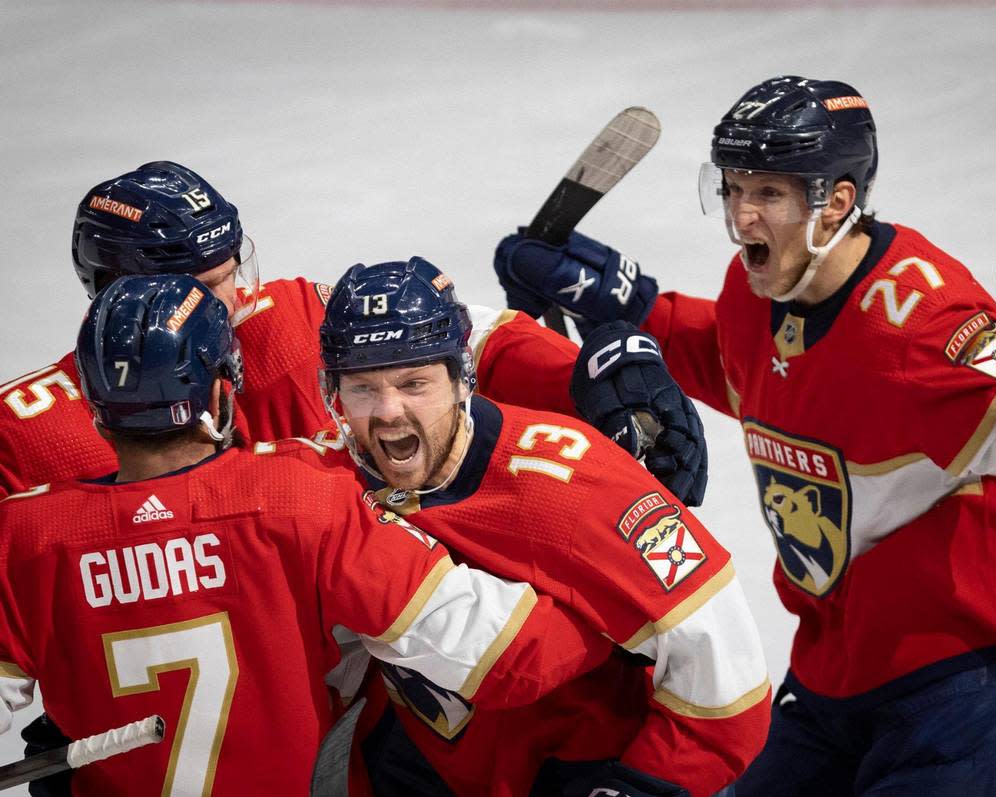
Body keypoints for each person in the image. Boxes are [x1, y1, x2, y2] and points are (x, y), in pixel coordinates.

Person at [492, 75, 996, 795]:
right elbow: (741, 364)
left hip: (967, 669)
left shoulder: (921, 320)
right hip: (840, 664)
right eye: (733, 188)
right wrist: (621, 302)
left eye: (768, 193)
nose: (741, 215)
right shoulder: (757, 289)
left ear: (835, 200)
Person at [0, 274, 613, 796]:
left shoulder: (22, 535)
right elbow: (508, 656)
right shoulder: (300, 495)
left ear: (92, 400)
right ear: (221, 388)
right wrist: (618, 605)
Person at [293, 256, 771, 797]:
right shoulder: (324, 478)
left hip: (583, 770)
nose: (388, 412)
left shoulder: (575, 486)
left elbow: (732, 686)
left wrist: (641, 788)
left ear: (460, 378)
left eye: (414, 383)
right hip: (430, 760)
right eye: (362, 388)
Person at [0, 161, 705, 507]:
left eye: (233, 268)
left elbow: (467, 341)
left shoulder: (290, 317)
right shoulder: (27, 433)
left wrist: (586, 377)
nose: (240, 296)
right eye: (209, 288)